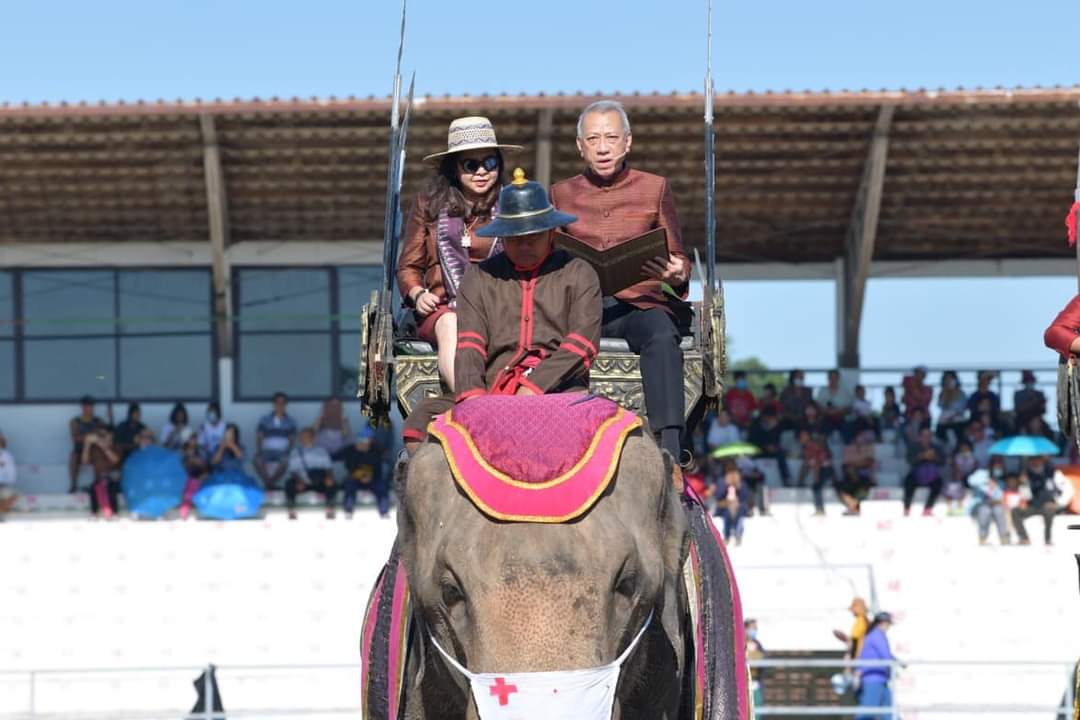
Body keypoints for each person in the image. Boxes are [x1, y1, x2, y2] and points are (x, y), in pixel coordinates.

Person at [400, 169, 600, 451]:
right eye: (516, 238)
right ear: (502, 238)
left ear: (551, 232)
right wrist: (473, 397)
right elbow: (470, 343)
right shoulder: (480, 278)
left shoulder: (579, 273)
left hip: (560, 391)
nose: (525, 245)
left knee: (612, 431)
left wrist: (532, 388)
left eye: (533, 236)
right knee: (420, 423)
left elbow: (582, 344)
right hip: (492, 391)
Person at [549, 100, 690, 460]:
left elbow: (679, 258)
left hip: (639, 305)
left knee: (661, 334)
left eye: (611, 137)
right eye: (593, 138)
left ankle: (671, 450)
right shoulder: (560, 194)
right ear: (580, 146)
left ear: (627, 142)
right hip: (582, 309)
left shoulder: (655, 188)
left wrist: (676, 272)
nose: (602, 146)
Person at [397, 116, 521, 390]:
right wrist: (418, 294)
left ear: (499, 165)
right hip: (443, 308)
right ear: (455, 169)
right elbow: (408, 267)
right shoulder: (428, 205)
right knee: (451, 323)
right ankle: (470, 404)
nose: (481, 172)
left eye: (489, 163)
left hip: (501, 308)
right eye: (471, 164)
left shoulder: (514, 204)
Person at [336, 424, 390, 518]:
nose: (364, 443)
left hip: (372, 478)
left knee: (381, 486)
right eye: (362, 440)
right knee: (349, 485)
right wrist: (357, 452)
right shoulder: (350, 450)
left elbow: (378, 468)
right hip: (355, 477)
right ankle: (348, 511)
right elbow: (344, 463)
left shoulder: (376, 450)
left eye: (366, 440)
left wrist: (371, 477)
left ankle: (384, 511)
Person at [285, 428, 336, 520]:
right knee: (289, 484)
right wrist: (299, 481)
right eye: (302, 437)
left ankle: (330, 510)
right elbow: (292, 470)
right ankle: (291, 510)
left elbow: (328, 467)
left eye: (306, 436)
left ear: (313, 438)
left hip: (319, 481)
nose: (304, 438)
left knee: (332, 483)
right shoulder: (295, 452)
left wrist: (329, 477)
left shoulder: (321, 451)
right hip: (302, 482)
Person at [855, 612, 898, 719]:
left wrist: (898, 662)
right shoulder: (877, 635)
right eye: (888, 624)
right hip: (874, 678)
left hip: (879, 678)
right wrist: (897, 665)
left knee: (889, 710)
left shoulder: (873, 635)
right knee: (867, 712)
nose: (889, 627)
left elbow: (886, 655)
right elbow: (886, 656)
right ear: (883, 623)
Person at [1011, 455, 1060, 546]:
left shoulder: (1048, 471)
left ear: (1041, 460)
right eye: (1033, 459)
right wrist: (1023, 482)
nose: (1035, 462)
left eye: (1037, 459)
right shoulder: (1026, 473)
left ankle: (1048, 539)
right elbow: (1024, 493)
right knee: (1015, 511)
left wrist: (1055, 502)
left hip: (1047, 504)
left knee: (1049, 509)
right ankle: (1024, 538)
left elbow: (1055, 486)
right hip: (1032, 505)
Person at [254, 392, 297, 489]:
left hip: (282, 451)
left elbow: (292, 438)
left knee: (286, 460)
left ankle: (270, 483)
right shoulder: (264, 419)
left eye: (283, 403)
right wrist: (259, 450)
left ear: (286, 405)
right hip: (267, 450)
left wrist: (288, 451)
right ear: (273, 404)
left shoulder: (291, 421)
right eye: (277, 402)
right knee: (256, 459)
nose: (280, 405)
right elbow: (259, 436)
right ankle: (269, 482)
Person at [68, 395, 107, 493]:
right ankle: (73, 484)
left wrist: (96, 436)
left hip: (95, 449)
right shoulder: (75, 421)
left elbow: (105, 434)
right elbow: (75, 438)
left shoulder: (98, 421)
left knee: (98, 456)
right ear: (83, 407)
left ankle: (97, 484)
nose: (89, 408)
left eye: (91, 406)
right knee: (73, 457)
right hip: (80, 449)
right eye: (87, 406)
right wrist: (89, 437)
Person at [904, 428, 946, 516]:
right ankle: (907, 508)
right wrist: (921, 456)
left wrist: (934, 457)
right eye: (924, 436)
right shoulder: (913, 446)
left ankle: (928, 508)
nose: (926, 438)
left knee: (938, 483)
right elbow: (910, 460)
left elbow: (942, 462)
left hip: (931, 475)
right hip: (916, 474)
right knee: (908, 481)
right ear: (920, 437)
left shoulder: (936, 447)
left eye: (928, 436)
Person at [967, 457, 1010, 545]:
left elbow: (1000, 497)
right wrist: (987, 482)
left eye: (1000, 465)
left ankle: (1004, 537)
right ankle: (982, 537)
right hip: (979, 504)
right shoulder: (981, 473)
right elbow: (970, 481)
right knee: (985, 511)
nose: (998, 467)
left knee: (999, 511)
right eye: (996, 465)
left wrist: (995, 487)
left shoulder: (1001, 482)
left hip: (994, 504)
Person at [83, 428, 121, 518]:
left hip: (113, 478)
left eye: (105, 436)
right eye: (101, 436)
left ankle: (115, 512)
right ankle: (94, 513)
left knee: (111, 489)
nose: (102, 438)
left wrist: (103, 446)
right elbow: (85, 461)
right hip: (99, 479)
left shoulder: (117, 447)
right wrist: (87, 444)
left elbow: (115, 460)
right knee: (93, 489)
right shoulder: (95, 450)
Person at [748, 406, 791, 487]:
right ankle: (755, 483)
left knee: (781, 454)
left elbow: (777, 439)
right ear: (764, 416)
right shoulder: (755, 425)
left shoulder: (776, 425)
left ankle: (786, 478)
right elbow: (752, 441)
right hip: (757, 450)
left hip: (772, 451)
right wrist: (765, 446)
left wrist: (773, 428)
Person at [838, 431, 876, 516]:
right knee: (842, 488)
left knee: (863, 489)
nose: (860, 440)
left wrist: (856, 464)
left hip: (865, 477)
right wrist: (860, 463)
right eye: (858, 438)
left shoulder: (868, 448)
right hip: (852, 477)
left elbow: (870, 462)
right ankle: (853, 507)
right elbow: (846, 464)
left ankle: (852, 507)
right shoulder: (848, 449)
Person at [798, 429, 834, 516]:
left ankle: (820, 509)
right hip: (820, 469)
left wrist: (816, 478)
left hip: (824, 469)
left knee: (817, 487)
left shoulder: (812, 446)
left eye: (803, 436)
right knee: (816, 487)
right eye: (801, 436)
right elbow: (808, 464)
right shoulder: (806, 447)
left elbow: (817, 463)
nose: (801, 438)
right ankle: (819, 509)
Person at [715, 460, 749, 545]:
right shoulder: (722, 481)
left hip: (738, 505)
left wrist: (738, 487)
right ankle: (727, 536)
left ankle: (738, 536)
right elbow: (718, 496)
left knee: (739, 513)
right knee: (727, 514)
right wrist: (726, 485)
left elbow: (745, 497)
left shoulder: (741, 481)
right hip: (725, 504)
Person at [178, 435, 209, 521]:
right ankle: (183, 515)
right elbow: (179, 468)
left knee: (194, 487)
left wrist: (197, 461)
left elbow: (205, 467)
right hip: (184, 480)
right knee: (187, 493)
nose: (193, 441)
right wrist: (188, 459)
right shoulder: (181, 452)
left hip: (197, 479)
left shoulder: (201, 452)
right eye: (191, 439)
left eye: (194, 439)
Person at [816, 369, 853, 438]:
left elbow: (850, 407)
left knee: (848, 429)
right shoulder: (822, 391)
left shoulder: (845, 392)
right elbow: (817, 405)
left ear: (838, 378)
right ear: (828, 378)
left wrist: (839, 411)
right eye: (831, 377)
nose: (833, 380)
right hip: (826, 418)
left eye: (835, 377)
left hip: (841, 418)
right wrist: (827, 411)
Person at [936, 370, 968, 446]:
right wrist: (947, 393)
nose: (949, 381)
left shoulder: (961, 393)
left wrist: (954, 392)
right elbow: (941, 406)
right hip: (944, 423)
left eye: (950, 379)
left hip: (958, 421)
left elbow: (961, 409)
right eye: (946, 379)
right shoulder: (942, 393)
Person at [946, 440, 978, 515]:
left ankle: (961, 506)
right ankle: (952, 508)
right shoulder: (957, 456)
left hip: (970, 477)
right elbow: (956, 469)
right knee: (956, 485)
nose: (964, 449)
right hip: (959, 476)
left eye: (966, 448)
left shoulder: (972, 456)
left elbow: (973, 469)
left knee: (970, 481)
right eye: (962, 448)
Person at [744, 619, 766, 711]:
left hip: (755, 684)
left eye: (755, 628)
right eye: (752, 628)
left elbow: (762, 660)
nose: (754, 630)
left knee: (756, 710)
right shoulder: (740, 643)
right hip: (743, 684)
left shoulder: (758, 645)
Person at [0, 432, 17, 521]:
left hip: (3, 486)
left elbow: (11, 474)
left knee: (12, 495)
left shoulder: (6, 456)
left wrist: (4, 483)